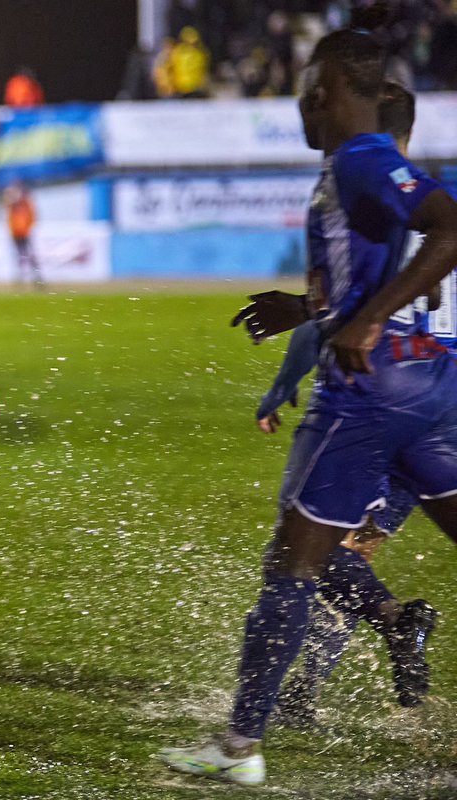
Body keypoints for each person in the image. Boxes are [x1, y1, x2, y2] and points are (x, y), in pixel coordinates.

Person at [159, 26, 457, 786]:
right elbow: (370, 260)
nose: (299, 103)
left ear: (326, 93)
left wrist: (363, 321)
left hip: (368, 393)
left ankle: (238, 750)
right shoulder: (350, 165)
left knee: (290, 569)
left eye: (306, 89)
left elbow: (449, 224)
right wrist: (308, 306)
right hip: (429, 385)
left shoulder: (363, 157)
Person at [249, 82, 441, 726]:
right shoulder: (410, 202)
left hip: (385, 403)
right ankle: (315, 684)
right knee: (342, 551)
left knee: (316, 551)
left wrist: (284, 377)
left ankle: (384, 632)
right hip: (426, 405)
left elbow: (361, 312)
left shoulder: (383, 206)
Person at [3, 181, 42, 288]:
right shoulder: (12, 205)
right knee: (19, 257)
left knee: (30, 256)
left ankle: (37, 278)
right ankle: (20, 279)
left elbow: (32, 217)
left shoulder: (26, 203)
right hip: (16, 234)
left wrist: (28, 228)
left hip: (25, 233)